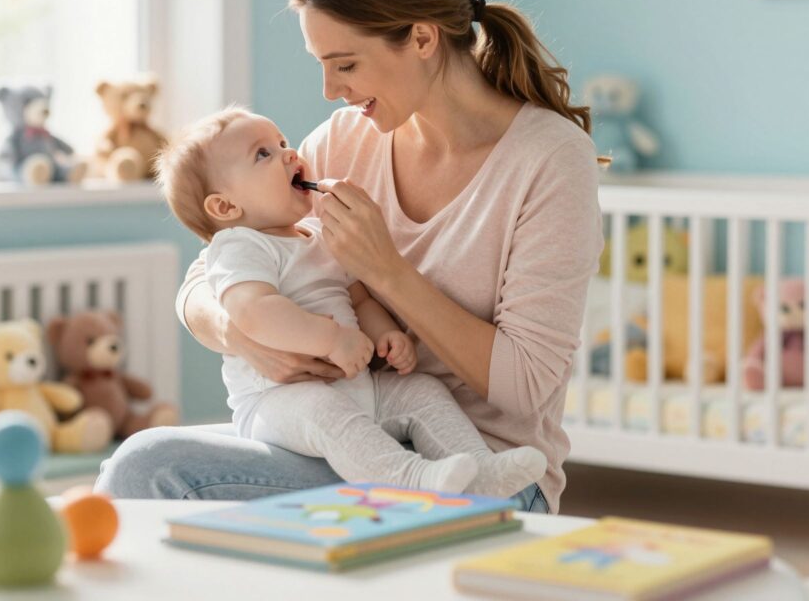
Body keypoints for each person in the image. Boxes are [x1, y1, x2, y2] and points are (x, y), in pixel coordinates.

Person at [95, 0, 604, 514]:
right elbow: (207, 275)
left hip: (485, 472)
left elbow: (524, 389)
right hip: (350, 434)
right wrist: (247, 334)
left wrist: (388, 272)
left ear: (420, 38)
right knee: (140, 462)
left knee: (147, 470)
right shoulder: (347, 139)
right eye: (321, 64)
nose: (329, 89)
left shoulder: (548, 159)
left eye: (345, 64)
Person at [152, 107, 547, 497]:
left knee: (422, 391)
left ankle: (479, 470)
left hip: (358, 389)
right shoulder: (239, 246)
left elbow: (358, 298)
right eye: (263, 154)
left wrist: (386, 335)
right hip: (279, 404)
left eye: (282, 142)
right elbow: (253, 312)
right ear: (225, 207)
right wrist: (331, 341)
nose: (289, 154)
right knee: (324, 414)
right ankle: (409, 478)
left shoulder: (317, 234)